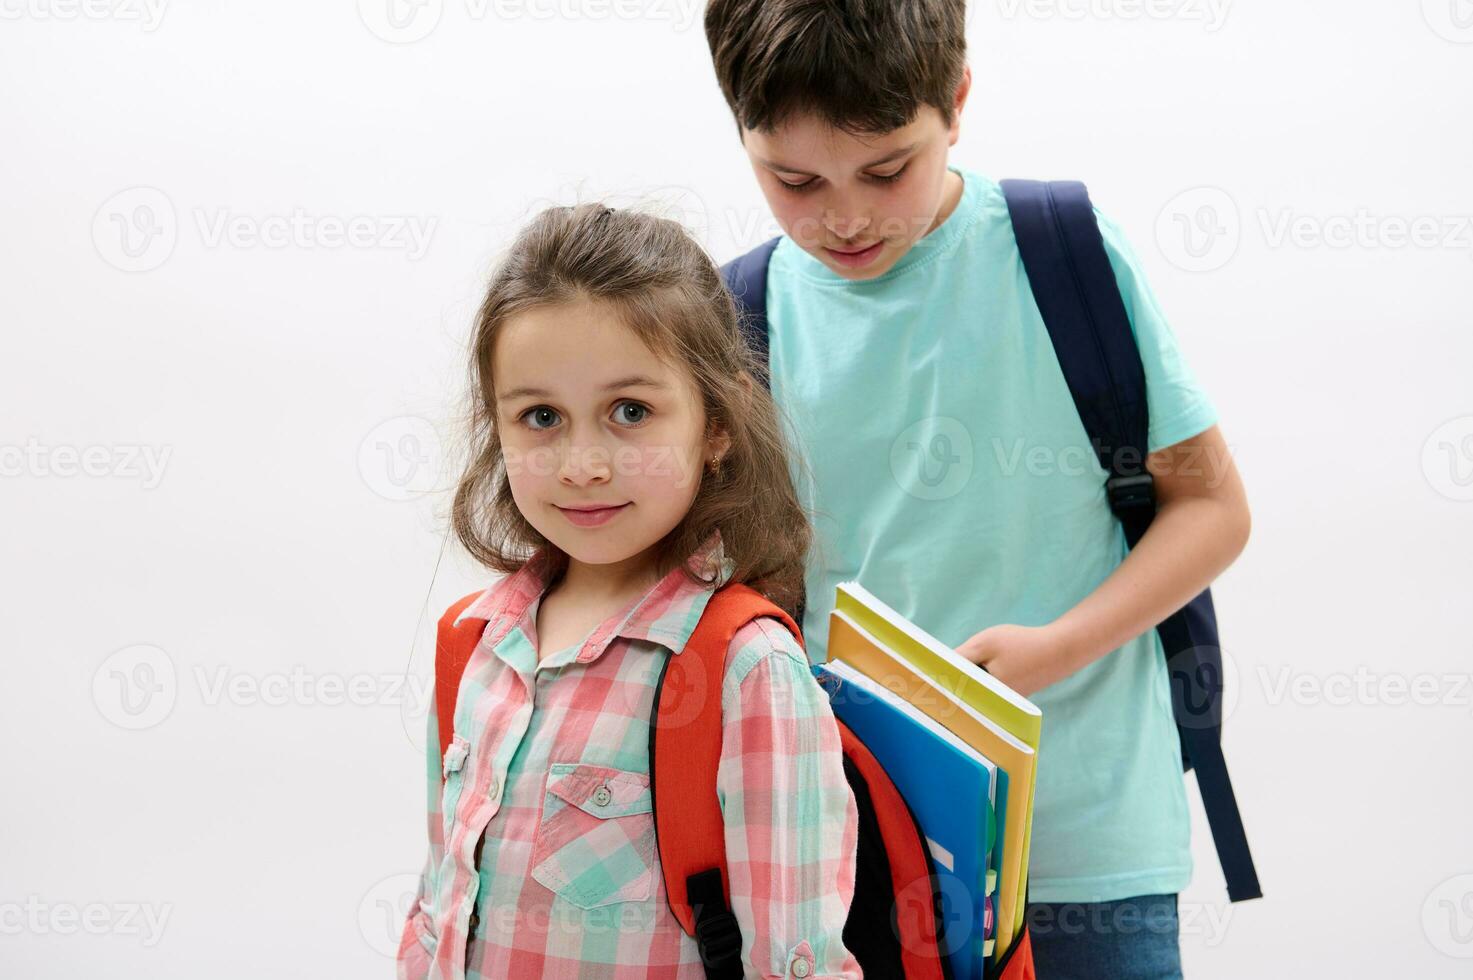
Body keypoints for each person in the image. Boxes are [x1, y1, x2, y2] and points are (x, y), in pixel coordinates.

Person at [702, 2, 1253, 977]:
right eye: (792, 180)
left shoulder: (1063, 255)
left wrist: (1055, 648)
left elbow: (1211, 506)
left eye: (887, 169)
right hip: (852, 852)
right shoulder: (740, 316)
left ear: (955, 102)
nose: (844, 216)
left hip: (1085, 847)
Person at [396, 202, 862, 979]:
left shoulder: (745, 668)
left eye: (630, 412)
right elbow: (440, 908)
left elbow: (795, 962)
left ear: (717, 424)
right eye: (541, 416)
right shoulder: (473, 642)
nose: (583, 462)